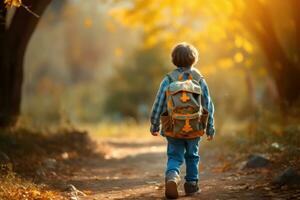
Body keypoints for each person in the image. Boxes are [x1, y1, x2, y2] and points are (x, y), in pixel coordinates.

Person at [150, 42, 215, 199]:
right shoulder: (199, 79)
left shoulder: (168, 80)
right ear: (194, 59)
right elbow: (208, 104)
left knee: (174, 156)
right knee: (192, 156)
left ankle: (172, 176)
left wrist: (154, 124)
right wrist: (210, 127)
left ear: (174, 60)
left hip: (173, 127)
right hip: (195, 126)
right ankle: (192, 186)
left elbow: (159, 102)